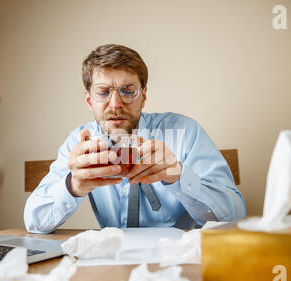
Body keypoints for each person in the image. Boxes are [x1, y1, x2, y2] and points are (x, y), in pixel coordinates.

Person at [24, 44, 246, 233]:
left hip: (178, 261)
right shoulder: (80, 142)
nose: (115, 104)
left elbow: (235, 216)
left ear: (144, 96)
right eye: (103, 92)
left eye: (128, 90)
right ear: (89, 100)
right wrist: (72, 186)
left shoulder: (185, 132)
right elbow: (34, 221)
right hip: (111, 263)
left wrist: (179, 176)